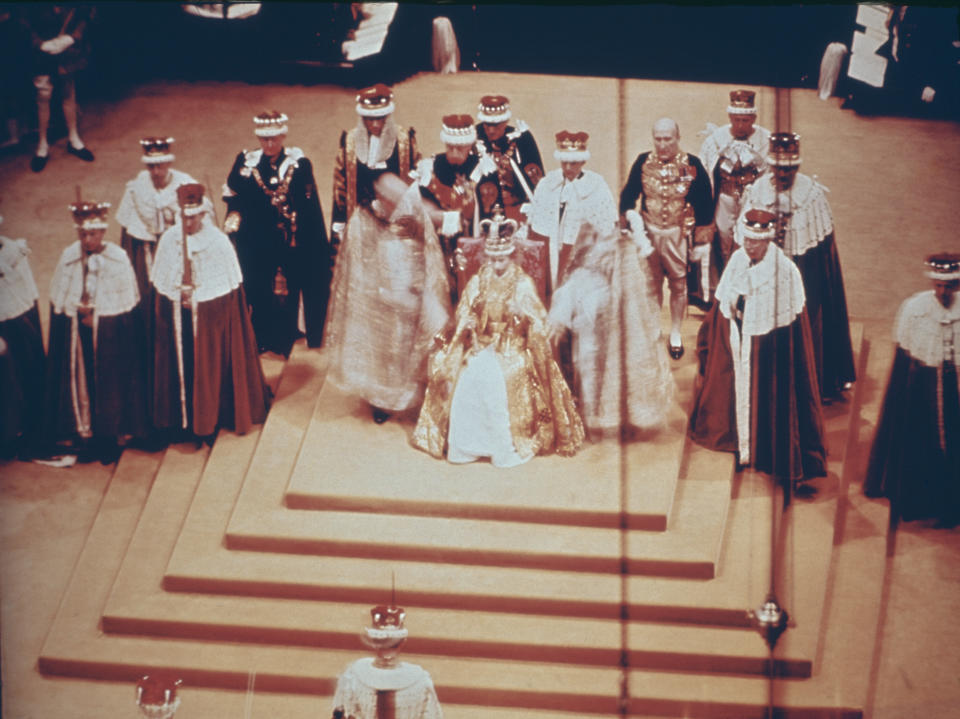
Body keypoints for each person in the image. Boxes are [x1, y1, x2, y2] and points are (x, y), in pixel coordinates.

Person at [412, 213, 584, 466]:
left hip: (512, 346)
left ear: (512, 256)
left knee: (494, 382)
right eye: (492, 258)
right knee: (466, 379)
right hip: (481, 343)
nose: (497, 264)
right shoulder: (479, 279)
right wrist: (467, 323)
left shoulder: (522, 284)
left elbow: (538, 322)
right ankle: (466, 447)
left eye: (502, 258)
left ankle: (502, 447)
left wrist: (521, 317)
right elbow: (465, 310)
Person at [689, 209, 827, 495]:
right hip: (738, 341)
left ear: (767, 241)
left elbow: (791, 329)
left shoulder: (785, 272)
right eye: (747, 239)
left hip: (768, 353)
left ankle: (764, 452)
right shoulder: (738, 259)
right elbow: (724, 301)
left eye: (755, 241)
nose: (749, 246)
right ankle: (739, 443)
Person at [736, 132, 856, 402]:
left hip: (803, 269)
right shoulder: (757, 192)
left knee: (803, 322)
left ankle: (806, 384)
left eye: (789, 169)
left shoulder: (811, 196)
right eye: (779, 168)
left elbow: (824, 252)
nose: (783, 174)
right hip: (763, 271)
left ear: (797, 167)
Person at [324, 174, 451, 425]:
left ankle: (415, 394)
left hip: (411, 296)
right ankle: (381, 400)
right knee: (383, 356)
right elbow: (356, 264)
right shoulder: (364, 220)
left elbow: (430, 249)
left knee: (413, 347)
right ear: (382, 198)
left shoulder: (411, 212)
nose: (399, 206)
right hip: (378, 301)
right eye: (393, 200)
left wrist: (422, 283)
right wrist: (375, 291)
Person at [152, 183, 269, 440]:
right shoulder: (170, 240)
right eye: (184, 217)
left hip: (208, 327)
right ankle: (181, 421)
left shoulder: (217, 243)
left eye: (193, 217)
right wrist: (177, 296)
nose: (188, 223)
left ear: (203, 215)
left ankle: (209, 419)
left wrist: (195, 301)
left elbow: (223, 296)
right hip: (179, 324)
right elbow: (163, 287)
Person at [547, 222, 674, 438]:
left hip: (615, 321)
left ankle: (624, 419)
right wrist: (560, 317)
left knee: (617, 370)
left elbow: (634, 297)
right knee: (587, 370)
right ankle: (591, 420)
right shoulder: (585, 254)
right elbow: (574, 282)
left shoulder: (625, 252)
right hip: (589, 320)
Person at [44, 200, 148, 463]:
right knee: (82, 384)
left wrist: (99, 318)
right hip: (78, 342)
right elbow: (61, 301)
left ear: (102, 233)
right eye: (83, 235)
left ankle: (111, 436)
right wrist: (77, 313)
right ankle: (84, 433)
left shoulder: (118, 259)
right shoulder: (70, 257)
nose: (87, 240)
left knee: (110, 387)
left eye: (92, 234)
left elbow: (124, 308)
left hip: (109, 342)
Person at [223, 110, 332, 356]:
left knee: (289, 288)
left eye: (274, 139)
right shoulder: (247, 163)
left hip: (290, 240)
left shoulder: (297, 164)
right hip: (257, 241)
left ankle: (289, 334)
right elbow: (234, 194)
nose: (269, 145)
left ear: (282, 136)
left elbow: (309, 206)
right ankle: (263, 336)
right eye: (264, 140)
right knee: (259, 287)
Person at [864, 253, 960, 527]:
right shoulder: (915, 308)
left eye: (949, 286)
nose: (943, 292)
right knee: (921, 441)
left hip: (953, 389)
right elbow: (904, 357)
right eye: (939, 286)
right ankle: (919, 500)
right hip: (922, 387)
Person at [619, 117, 714, 359]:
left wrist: (702, 237)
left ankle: (675, 332)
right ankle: (652, 331)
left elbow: (704, 199)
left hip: (676, 235)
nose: (662, 144)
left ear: (677, 138)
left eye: (667, 138)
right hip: (648, 235)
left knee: (678, 284)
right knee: (651, 286)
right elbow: (629, 194)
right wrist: (628, 220)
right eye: (658, 139)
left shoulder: (690, 165)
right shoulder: (643, 162)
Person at [697, 89, 770, 302]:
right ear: (730, 118)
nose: (740, 125)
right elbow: (705, 171)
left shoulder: (765, 139)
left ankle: (746, 291)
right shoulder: (717, 139)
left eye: (745, 120)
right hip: (724, 197)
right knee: (722, 242)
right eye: (736, 120)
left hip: (751, 198)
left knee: (746, 241)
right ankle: (718, 289)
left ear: (753, 119)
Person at [527, 130, 618, 299]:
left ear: (583, 161)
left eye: (574, 163)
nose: (568, 168)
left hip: (579, 250)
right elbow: (536, 220)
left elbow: (606, 226)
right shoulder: (548, 183)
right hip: (551, 247)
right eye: (564, 163)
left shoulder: (596, 185)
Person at [331, 84, 420, 249]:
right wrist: (339, 220)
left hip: (395, 221)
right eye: (370, 119)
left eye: (381, 118)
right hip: (361, 219)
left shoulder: (405, 141)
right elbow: (340, 186)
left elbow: (414, 182)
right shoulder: (349, 142)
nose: (376, 125)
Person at [416, 114, 490, 300]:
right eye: (450, 147)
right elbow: (419, 208)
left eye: (460, 148)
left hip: (472, 244)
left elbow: (490, 211)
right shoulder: (430, 168)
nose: (455, 152)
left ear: (469, 145)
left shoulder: (482, 168)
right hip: (437, 247)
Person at [331, 605, 443, 719]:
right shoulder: (353, 677)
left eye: (394, 645)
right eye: (382, 643)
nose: (387, 652)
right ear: (373, 641)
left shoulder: (420, 682)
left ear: (403, 642)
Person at [20, 5, 96, 172]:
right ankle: (42, 144)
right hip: (42, 47)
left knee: (68, 91)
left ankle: (74, 139)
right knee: (43, 94)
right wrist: (39, 43)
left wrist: (73, 37)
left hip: (67, 47)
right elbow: (22, 19)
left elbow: (87, 12)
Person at [0, 216, 45, 460]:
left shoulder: (14, 251)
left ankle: (29, 433)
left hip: (18, 321)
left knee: (25, 377)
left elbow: (28, 294)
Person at [472, 94, 544, 223]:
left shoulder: (522, 138)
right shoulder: (474, 137)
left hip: (517, 208)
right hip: (483, 213)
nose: (491, 130)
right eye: (487, 125)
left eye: (496, 125)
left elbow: (536, 181)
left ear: (506, 122)